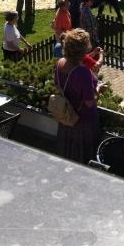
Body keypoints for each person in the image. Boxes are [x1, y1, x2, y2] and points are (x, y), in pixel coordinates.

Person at [54, 28, 100, 164]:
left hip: (66, 116)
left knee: (67, 152)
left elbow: (57, 86)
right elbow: (89, 102)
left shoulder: (60, 63)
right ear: (82, 50)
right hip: (82, 120)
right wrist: (98, 89)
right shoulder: (82, 72)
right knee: (81, 155)